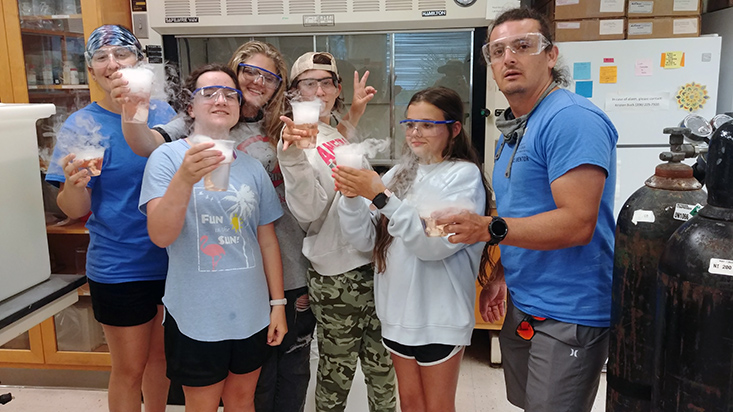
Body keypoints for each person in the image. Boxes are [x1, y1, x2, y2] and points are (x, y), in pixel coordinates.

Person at [115, 40, 374, 412]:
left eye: (267, 76)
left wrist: (352, 114)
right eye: (248, 71)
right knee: (250, 386)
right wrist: (132, 112)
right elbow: (146, 145)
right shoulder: (186, 140)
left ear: (278, 87)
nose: (255, 82)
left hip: (285, 272)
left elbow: (327, 145)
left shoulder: (279, 126)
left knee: (289, 370)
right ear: (195, 103)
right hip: (212, 292)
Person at [437, 8, 618, 412]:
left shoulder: (570, 120)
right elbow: (526, 210)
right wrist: (502, 272)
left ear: (551, 55)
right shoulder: (515, 128)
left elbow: (577, 223)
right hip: (526, 298)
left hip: (568, 309)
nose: (509, 59)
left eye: (523, 46)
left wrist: (487, 229)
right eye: (497, 50)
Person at [138, 63, 287, 412]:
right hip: (195, 313)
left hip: (250, 311)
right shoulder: (168, 159)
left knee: (241, 400)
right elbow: (160, 236)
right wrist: (185, 178)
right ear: (190, 107)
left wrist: (277, 305)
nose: (221, 99)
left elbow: (266, 240)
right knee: (202, 404)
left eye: (230, 94)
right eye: (209, 93)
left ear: (238, 107)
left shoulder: (251, 167)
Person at [333, 86, 490, 412]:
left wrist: (381, 197)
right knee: (411, 404)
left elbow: (431, 247)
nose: (415, 132)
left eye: (428, 125)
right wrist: (349, 198)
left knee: (437, 406)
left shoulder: (462, 176)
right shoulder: (400, 174)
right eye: (410, 124)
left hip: (438, 318)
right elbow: (364, 241)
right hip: (397, 315)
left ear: (454, 129)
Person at [45, 25, 176, 412]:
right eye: (101, 57)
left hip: (175, 261)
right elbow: (72, 208)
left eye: (121, 54)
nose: (112, 63)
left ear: (139, 62)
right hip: (120, 265)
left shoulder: (166, 114)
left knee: (161, 361)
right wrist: (75, 184)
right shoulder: (81, 126)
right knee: (128, 368)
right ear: (91, 69)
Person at [277, 51, 397, 412]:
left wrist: (356, 110)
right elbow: (309, 211)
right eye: (308, 83)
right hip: (336, 277)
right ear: (294, 94)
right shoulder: (295, 141)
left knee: (382, 366)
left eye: (326, 82)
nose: (318, 90)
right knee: (336, 372)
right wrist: (293, 156)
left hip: (373, 266)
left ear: (336, 89)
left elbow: (335, 142)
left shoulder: (332, 132)